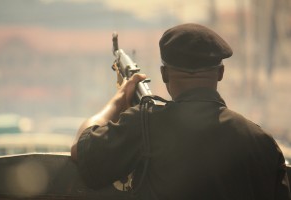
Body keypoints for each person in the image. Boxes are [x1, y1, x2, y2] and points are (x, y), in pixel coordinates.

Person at [71, 23, 291, 199]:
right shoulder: (260, 141)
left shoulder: (146, 124)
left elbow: (82, 149)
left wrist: (118, 101)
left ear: (164, 74)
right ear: (221, 72)